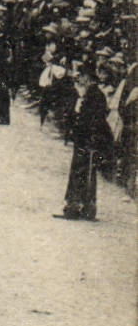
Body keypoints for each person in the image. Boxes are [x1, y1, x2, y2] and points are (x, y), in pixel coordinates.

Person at [57, 64, 112, 222]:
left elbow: (94, 120)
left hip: (87, 140)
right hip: (86, 139)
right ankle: (83, 207)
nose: (79, 79)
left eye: (81, 76)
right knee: (83, 171)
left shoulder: (95, 95)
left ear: (87, 77)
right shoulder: (92, 93)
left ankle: (78, 208)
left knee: (82, 172)